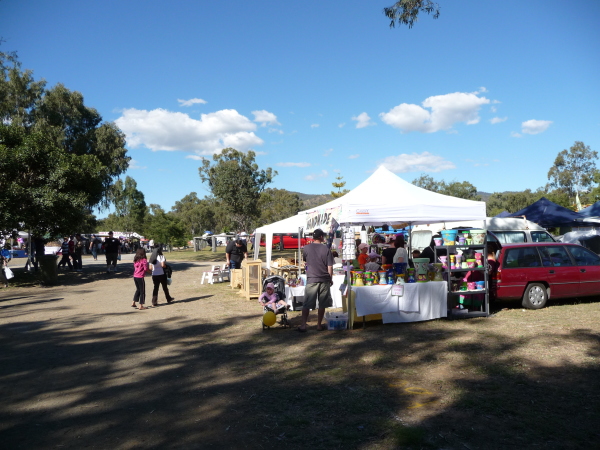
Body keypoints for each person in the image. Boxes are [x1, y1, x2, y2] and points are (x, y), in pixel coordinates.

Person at [298, 228, 334, 332]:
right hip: (323, 279)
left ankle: (303, 325)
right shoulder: (326, 249)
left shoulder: (306, 248)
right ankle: (319, 325)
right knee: (322, 303)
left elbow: (306, 261)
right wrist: (330, 278)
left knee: (307, 303)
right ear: (321, 237)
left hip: (312, 278)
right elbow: (330, 267)